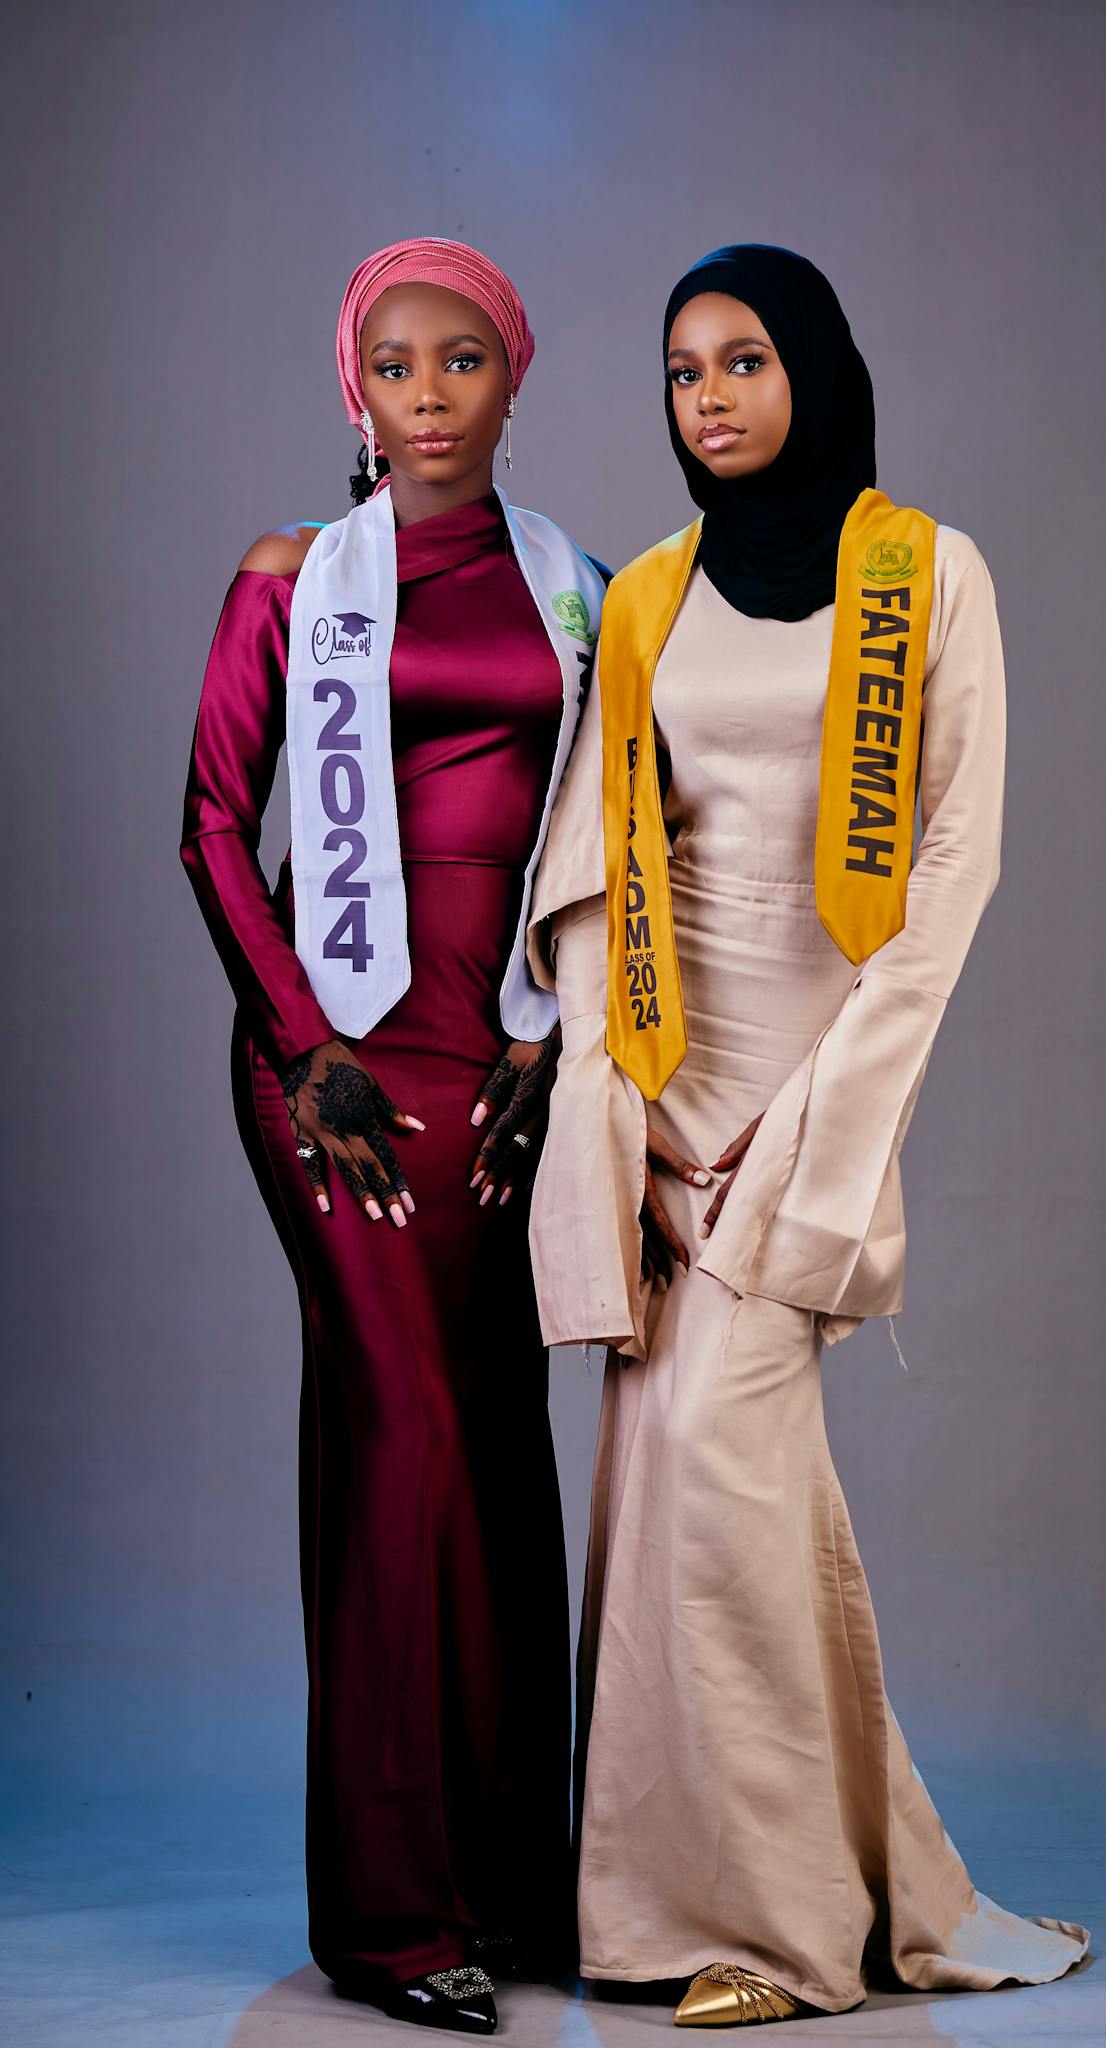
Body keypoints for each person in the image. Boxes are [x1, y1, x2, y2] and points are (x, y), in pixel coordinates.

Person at [525, 244, 1090, 2025]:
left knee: (723, 1482)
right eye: (682, 370)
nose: (710, 396)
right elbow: (593, 859)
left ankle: (767, 1929)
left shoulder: (926, 573)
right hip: (662, 1089)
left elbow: (949, 868)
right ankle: (688, 1904)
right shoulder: (652, 598)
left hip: (809, 1080)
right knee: (677, 1501)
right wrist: (627, 1110)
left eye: (745, 359)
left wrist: (803, 1128)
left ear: (815, 369)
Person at [181, 237, 606, 2035]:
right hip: (335, 1072)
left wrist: (564, 1036)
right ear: (350, 391)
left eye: (463, 363)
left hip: (502, 1064)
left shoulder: (576, 589)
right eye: (394, 366)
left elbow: (606, 851)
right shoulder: (294, 577)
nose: (427, 397)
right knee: (403, 1442)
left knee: (501, 1449)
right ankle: (388, 1916)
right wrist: (299, 1049)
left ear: (514, 381)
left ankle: (511, 1894)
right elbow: (213, 821)